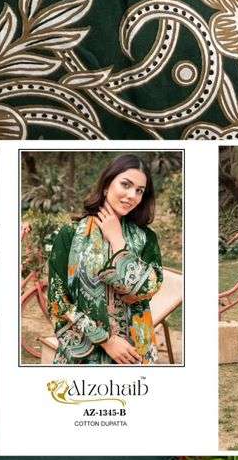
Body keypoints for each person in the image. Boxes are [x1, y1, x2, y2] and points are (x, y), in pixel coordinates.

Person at [46, 155, 165, 365]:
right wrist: (105, 340)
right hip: (83, 356)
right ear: (106, 185)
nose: (132, 195)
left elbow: (147, 289)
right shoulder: (70, 234)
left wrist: (118, 240)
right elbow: (58, 302)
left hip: (135, 353)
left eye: (139, 190)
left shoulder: (146, 238)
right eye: (126, 184)